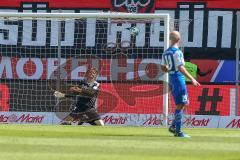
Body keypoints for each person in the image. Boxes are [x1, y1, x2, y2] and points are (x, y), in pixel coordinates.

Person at [161, 31, 200, 137]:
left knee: (183, 103)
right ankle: (178, 131)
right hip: (178, 79)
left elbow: (163, 68)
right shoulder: (177, 52)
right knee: (181, 104)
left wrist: (168, 68)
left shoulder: (165, 52)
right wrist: (192, 78)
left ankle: (173, 126)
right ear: (179, 39)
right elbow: (180, 67)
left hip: (171, 79)